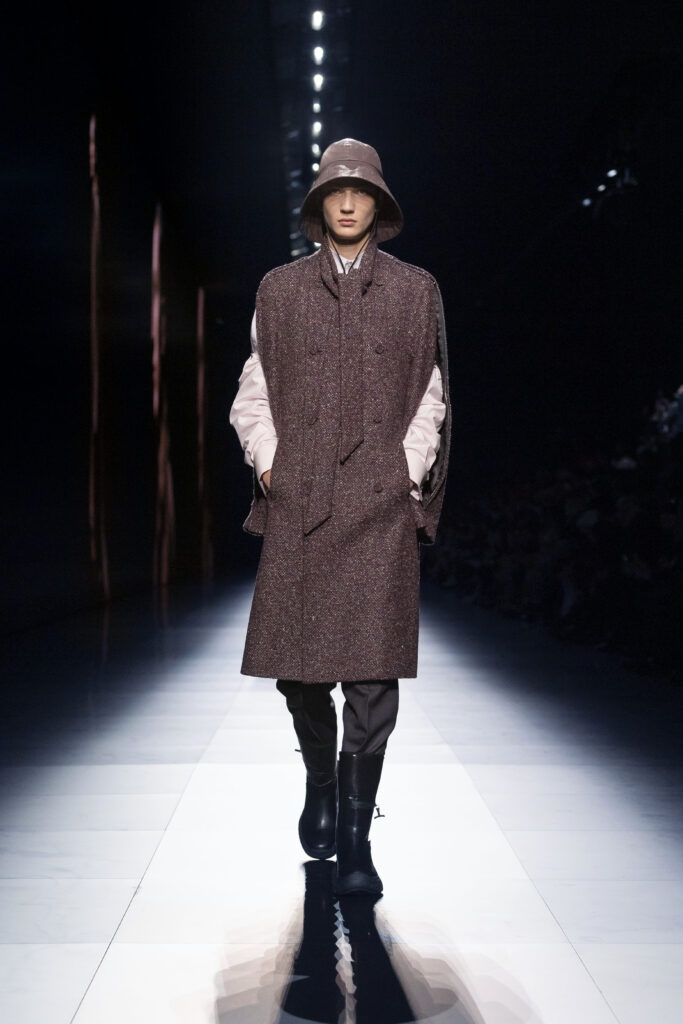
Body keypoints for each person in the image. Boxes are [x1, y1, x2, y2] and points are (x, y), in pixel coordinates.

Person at [230, 138, 450, 895]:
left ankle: (356, 839)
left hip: (380, 504)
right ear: (319, 204)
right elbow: (254, 388)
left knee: (373, 676)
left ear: (379, 205)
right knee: (299, 675)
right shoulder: (279, 289)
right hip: (300, 501)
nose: (349, 202)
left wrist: (404, 473)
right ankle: (320, 781)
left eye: (361, 192)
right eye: (335, 191)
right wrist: (270, 466)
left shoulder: (415, 290)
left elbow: (431, 394)